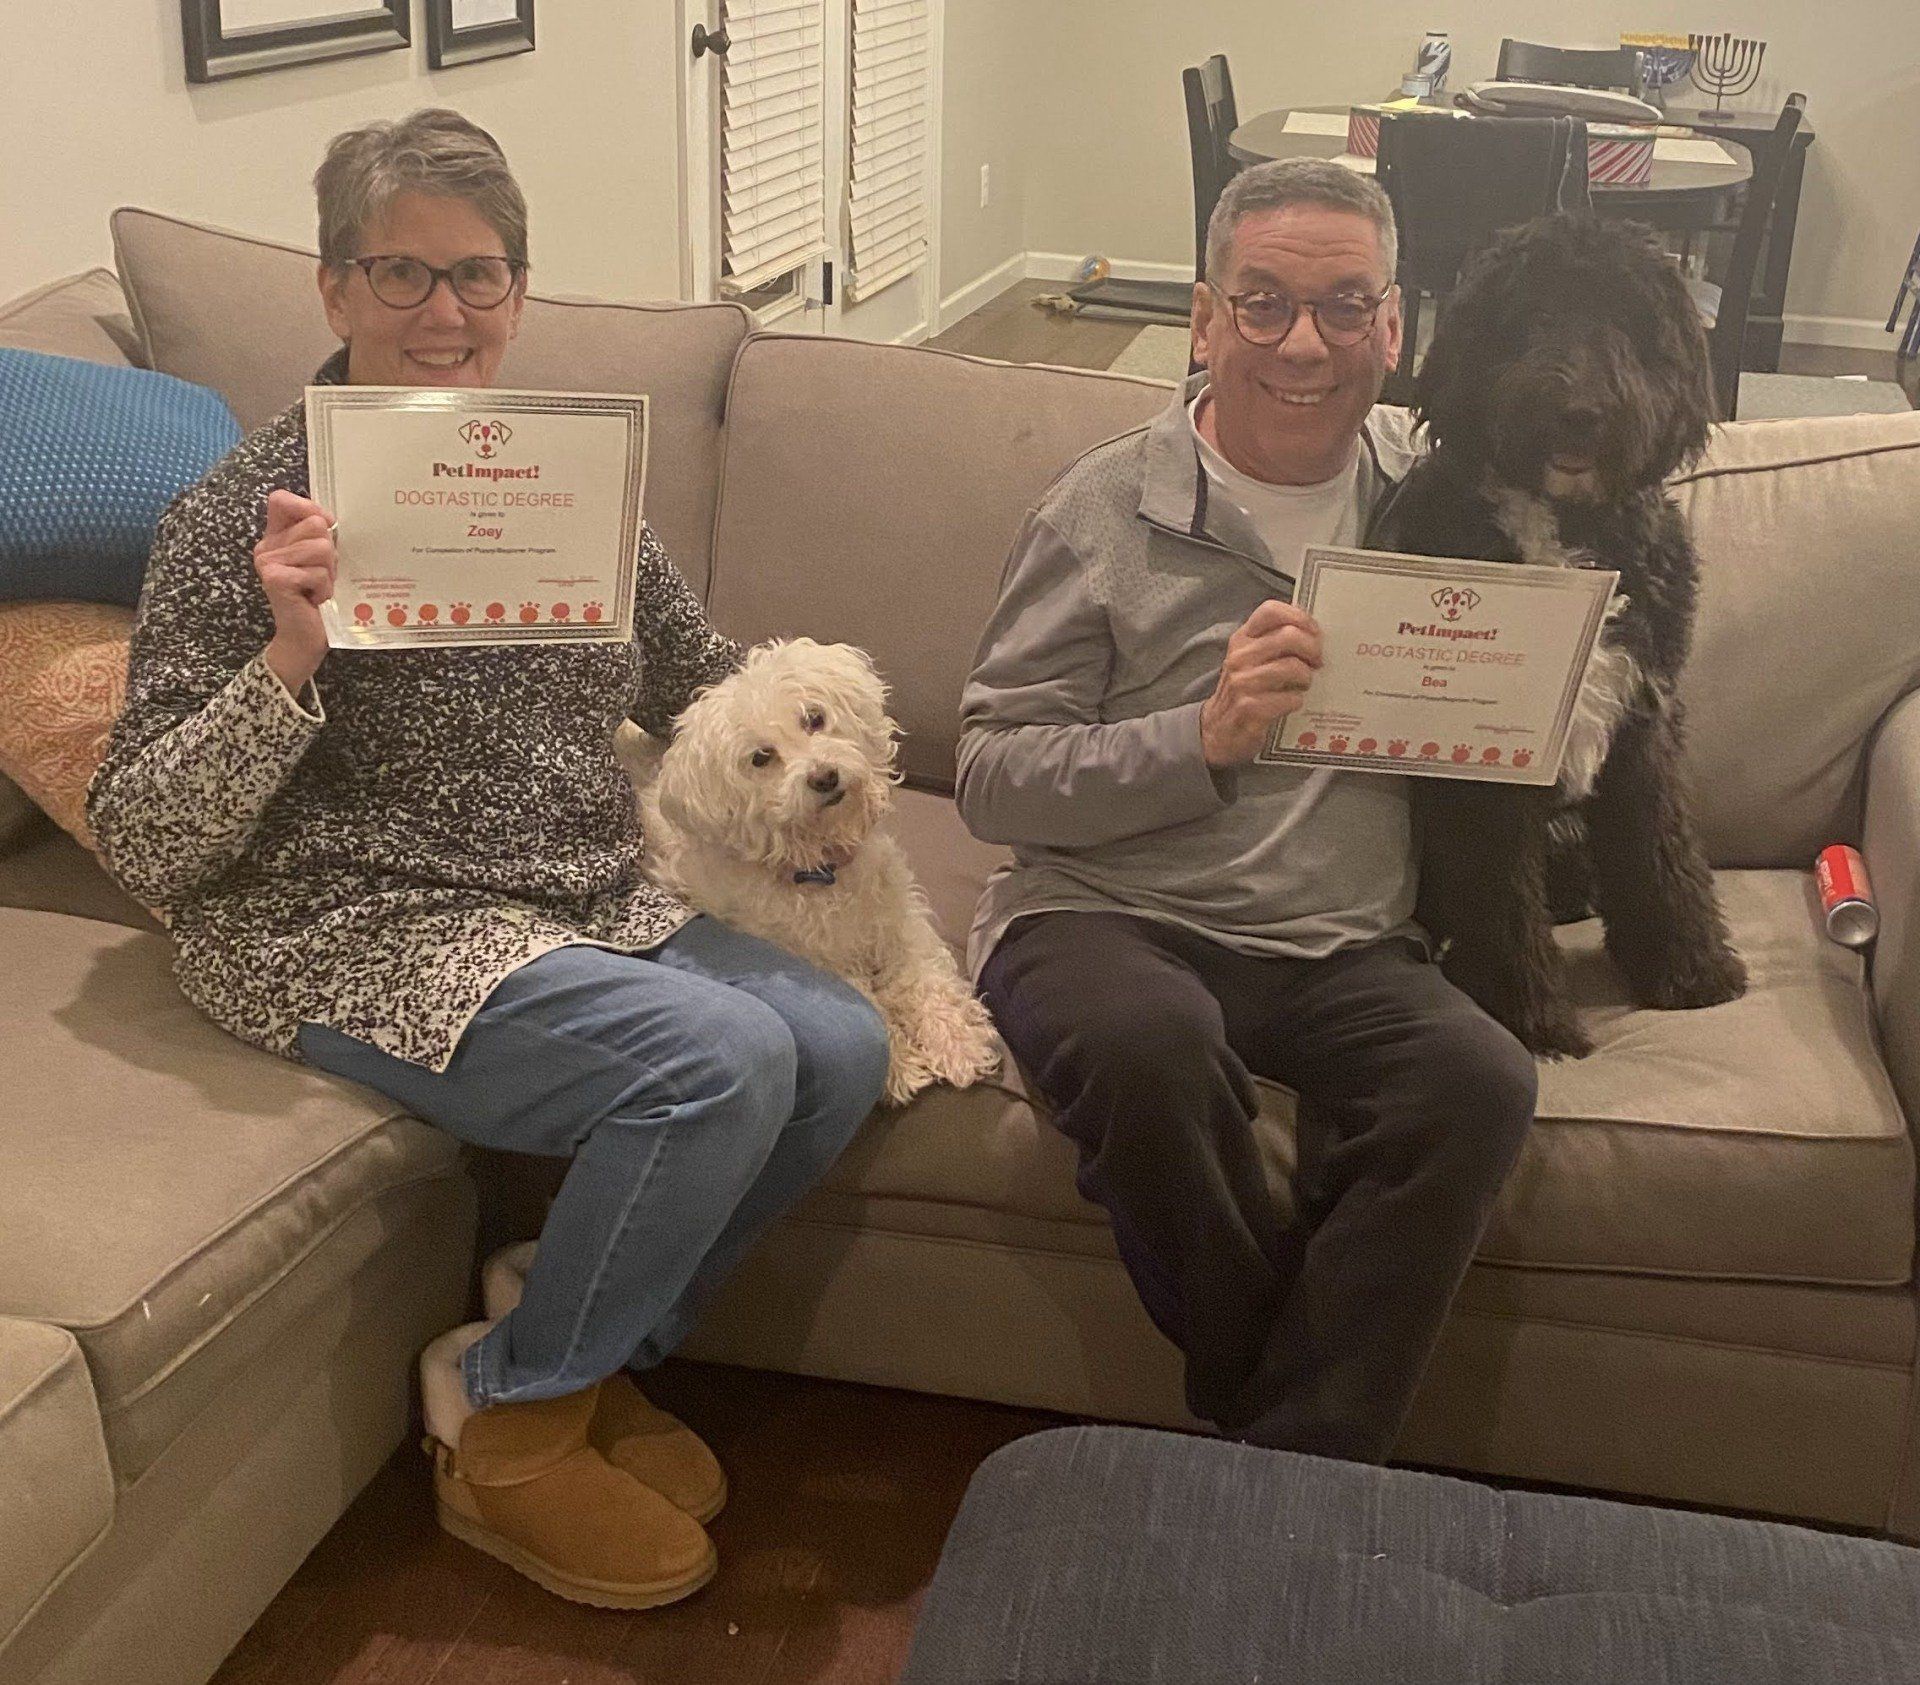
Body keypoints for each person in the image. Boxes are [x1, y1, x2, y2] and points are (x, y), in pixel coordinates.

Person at [87, 109, 888, 1609]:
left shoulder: (565, 482)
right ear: (331, 289)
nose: (446, 314)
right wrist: (288, 653)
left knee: (837, 1039)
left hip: (583, 893)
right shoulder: (232, 520)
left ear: (520, 290)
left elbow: (703, 688)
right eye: (402, 273)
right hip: (353, 917)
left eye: (481, 276)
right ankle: (508, 1425)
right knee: (716, 1057)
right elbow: (145, 832)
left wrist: (825, 751)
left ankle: (566, 1340)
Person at [956, 159, 1538, 1462]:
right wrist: (1198, 740)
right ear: (1206, 320)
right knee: (1149, 1045)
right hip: (1109, 914)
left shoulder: (1442, 509)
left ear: (1395, 329)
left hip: (1341, 940)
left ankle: (1275, 1469)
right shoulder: (1104, 509)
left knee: (1480, 1079)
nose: (1302, 344)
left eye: (1344, 307)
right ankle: (1292, 1442)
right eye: (1262, 303)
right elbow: (991, 774)